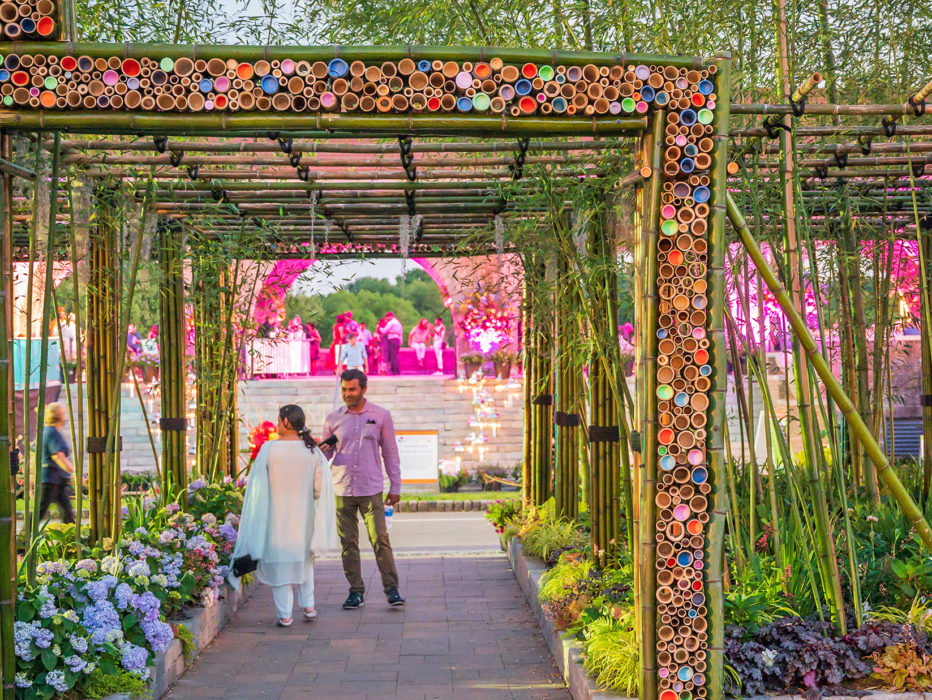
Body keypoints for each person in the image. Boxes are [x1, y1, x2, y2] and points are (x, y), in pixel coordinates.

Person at [229, 404, 338, 626]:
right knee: (304, 560)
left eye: (279, 421)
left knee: (280, 566)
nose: (278, 425)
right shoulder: (312, 450)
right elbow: (320, 488)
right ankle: (309, 606)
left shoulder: (269, 449)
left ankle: (285, 614)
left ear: (286, 422)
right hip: (304, 517)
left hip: (277, 518)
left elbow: (257, 486)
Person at [322, 369, 405, 609]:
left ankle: (392, 589)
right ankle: (355, 591)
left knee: (380, 538)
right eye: (344, 389)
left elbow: (390, 453)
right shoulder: (333, 419)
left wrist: (395, 485)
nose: (348, 394)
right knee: (348, 543)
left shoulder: (381, 416)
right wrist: (317, 451)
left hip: (371, 488)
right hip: (342, 488)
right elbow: (324, 455)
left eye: (352, 389)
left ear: (364, 389)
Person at [38, 403, 75, 524]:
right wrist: (74, 472)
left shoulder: (52, 431)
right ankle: (25, 533)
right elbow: (58, 456)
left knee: (67, 512)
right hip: (51, 479)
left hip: (58, 480)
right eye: (63, 413)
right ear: (58, 416)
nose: (65, 416)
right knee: (41, 510)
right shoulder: (52, 432)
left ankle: (70, 532)